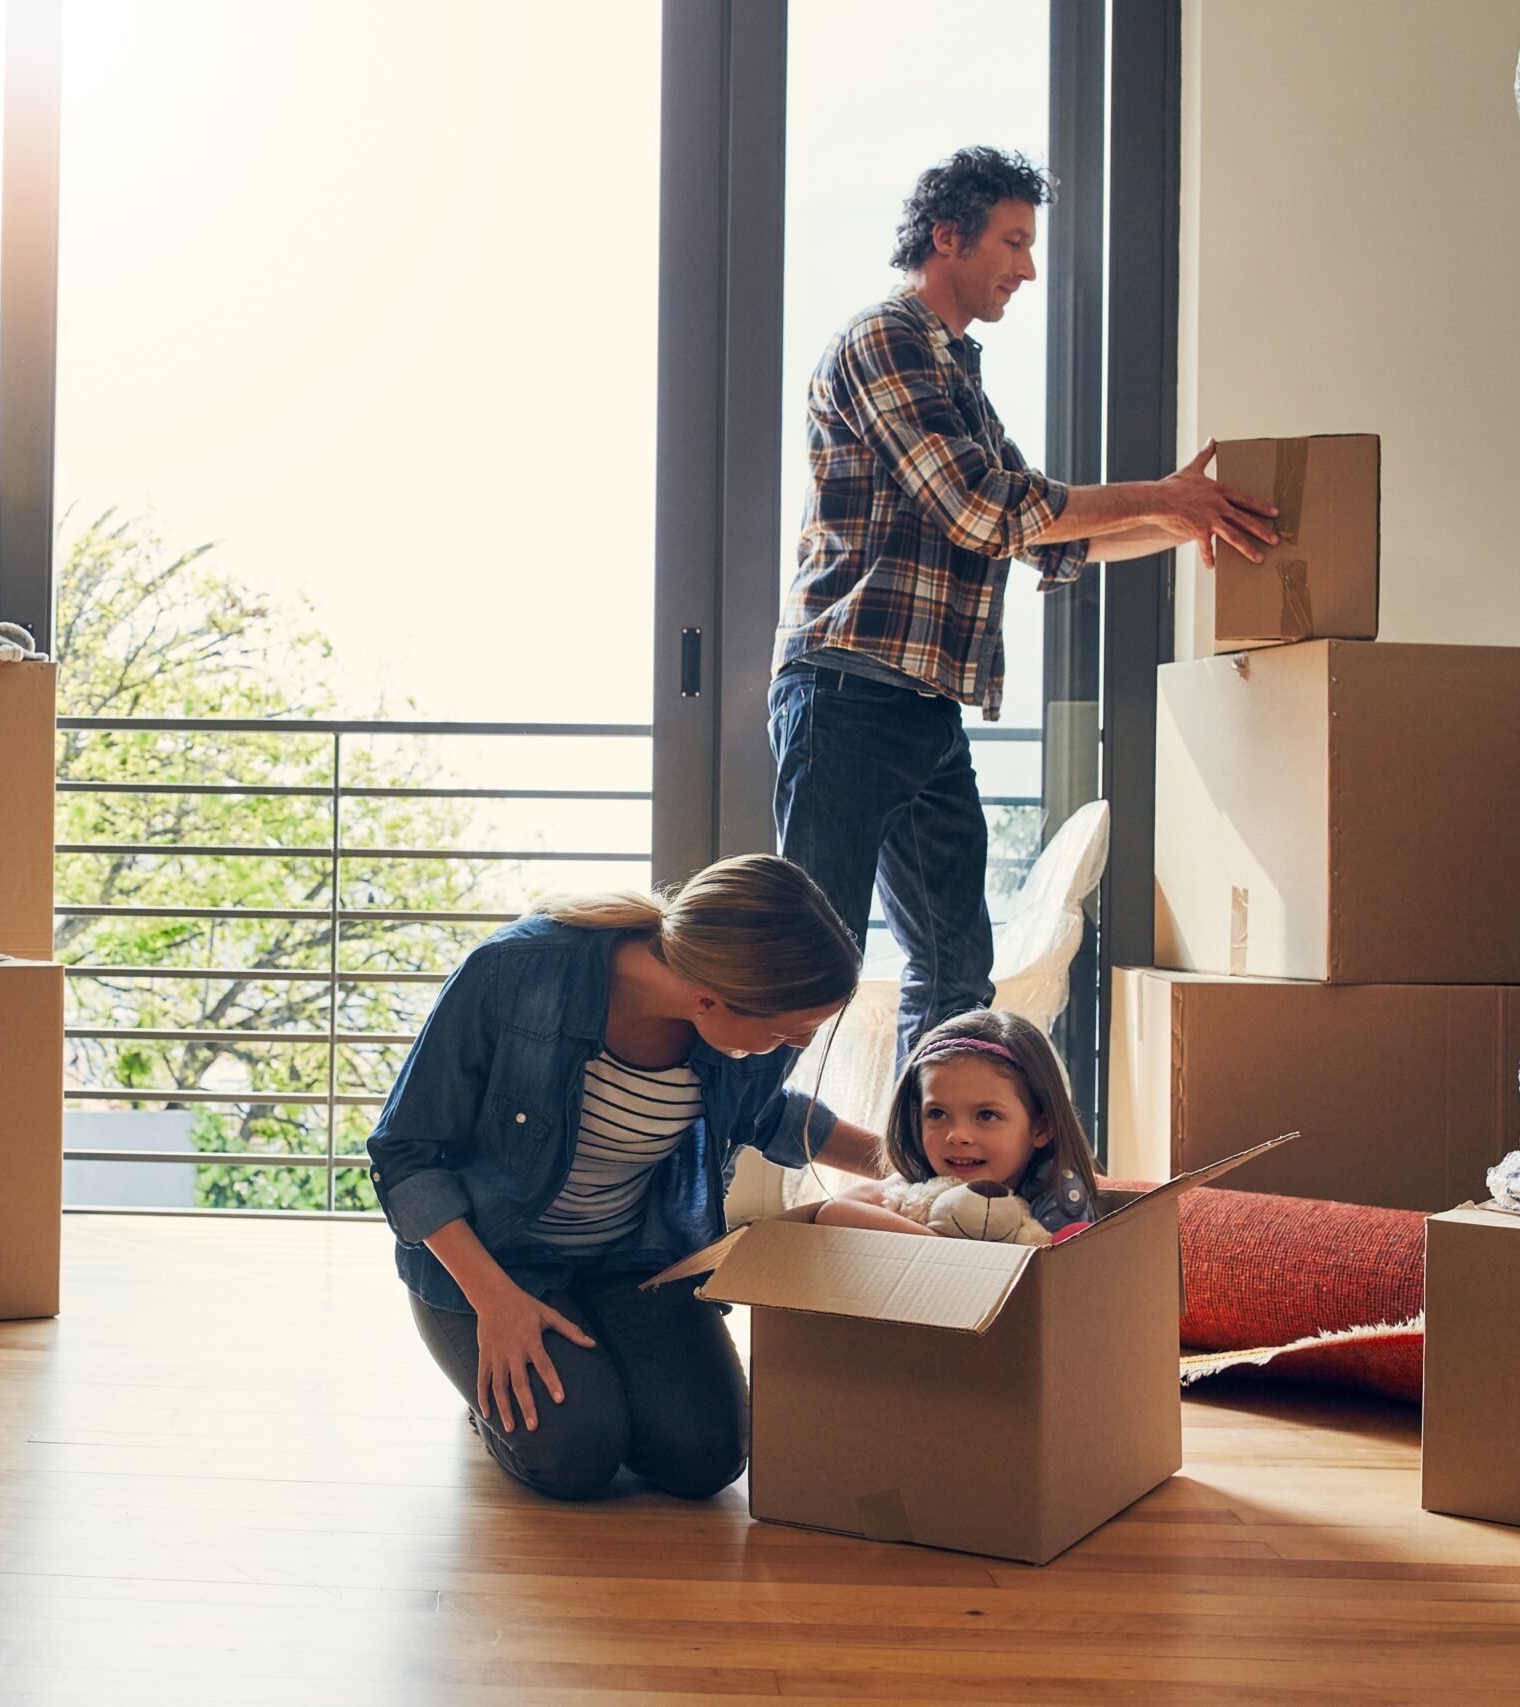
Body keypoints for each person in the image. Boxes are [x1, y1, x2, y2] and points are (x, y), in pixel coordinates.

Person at [771, 145, 1281, 1063]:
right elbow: (983, 509)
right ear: (947, 235)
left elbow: (1048, 530)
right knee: (808, 969)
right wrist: (1164, 498)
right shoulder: (884, 340)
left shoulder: (956, 372)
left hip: (921, 705)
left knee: (958, 969)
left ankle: (928, 1179)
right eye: (1013, 241)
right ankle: (736, 1176)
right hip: (844, 695)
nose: (1028, 267)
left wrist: (1183, 518)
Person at [365, 854, 879, 1502]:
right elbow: (405, 1152)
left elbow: (765, 1115)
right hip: (495, 1265)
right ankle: (497, 1394)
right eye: (786, 1030)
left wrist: (905, 1164)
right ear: (706, 998)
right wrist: (494, 1302)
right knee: (574, 1455)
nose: (797, 1046)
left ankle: (601, 1369)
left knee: (706, 1457)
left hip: (633, 1257)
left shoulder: (733, 1036)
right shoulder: (513, 972)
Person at [813, 1008, 1101, 1238]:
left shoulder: (1057, 1192)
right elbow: (835, 1212)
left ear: (1040, 1128)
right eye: (937, 1114)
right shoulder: (926, 1176)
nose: (958, 1136)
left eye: (986, 1115)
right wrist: (941, 1245)